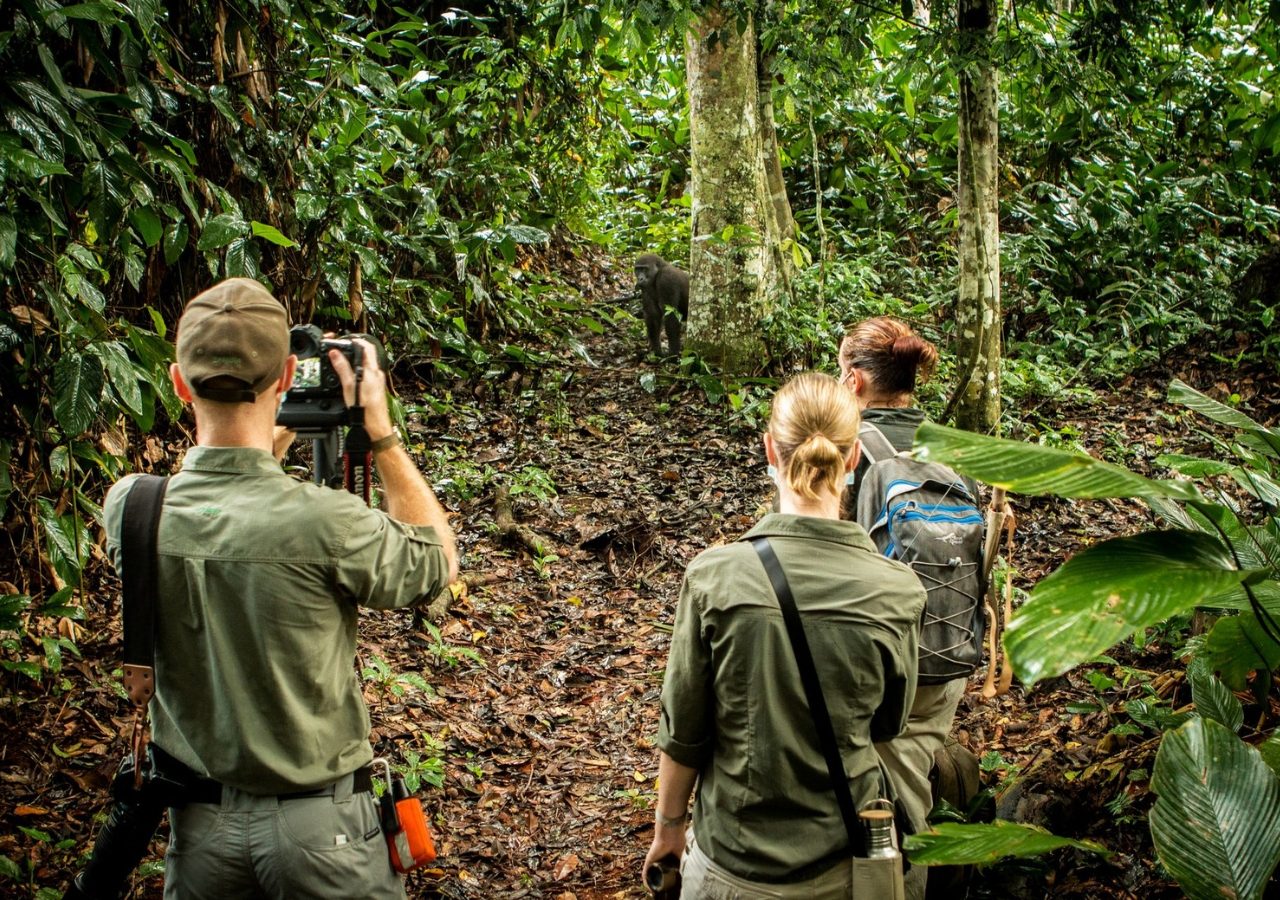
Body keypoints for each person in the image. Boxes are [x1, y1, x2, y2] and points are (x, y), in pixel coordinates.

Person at [97, 277, 458, 898]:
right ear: (288, 374)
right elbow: (436, 562)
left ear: (179, 382)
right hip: (321, 835)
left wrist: (272, 431)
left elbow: (227, 505)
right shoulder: (326, 522)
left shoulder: (131, 509)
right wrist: (383, 435)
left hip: (200, 832)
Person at [643, 372, 926, 898]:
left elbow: (684, 731)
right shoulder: (898, 590)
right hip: (846, 862)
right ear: (853, 458)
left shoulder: (714, 578)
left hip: (733, 862)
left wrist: (669, 831)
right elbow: (888, 723)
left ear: (770, 449)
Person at [839, 316, 970, 900]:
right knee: (910, 783)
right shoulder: (954, 452)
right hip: (946, 652)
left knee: (862, 797)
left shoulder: (846, 453)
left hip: (873, 661)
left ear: (856, 381)